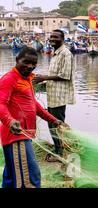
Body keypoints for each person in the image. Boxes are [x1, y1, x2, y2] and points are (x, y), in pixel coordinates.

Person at [0, 47, 65, 188]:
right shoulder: (9, 79)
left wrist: (53, 119)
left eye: (33, 63)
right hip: (16, 135)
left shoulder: (27, 79)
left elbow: (33, 104)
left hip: (25, 134)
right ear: (17, 60)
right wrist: (10, 121)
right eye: (26, 62)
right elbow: (1, 104)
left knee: (11, 177)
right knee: (30, 176)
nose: (29, 66)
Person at [32, 29, 76, 162]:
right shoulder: (55, 53)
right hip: (52, 95)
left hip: (59, 96)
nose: (52, 39)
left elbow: (65, 75)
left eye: (55, 37)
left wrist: (44, 77)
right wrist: (41, 80)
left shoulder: (65, 53)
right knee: (51, 124)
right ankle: (58, 149)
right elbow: (54, 76)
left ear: (62, 39)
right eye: (51, 37)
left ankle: (61, 153)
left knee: (57, 125)